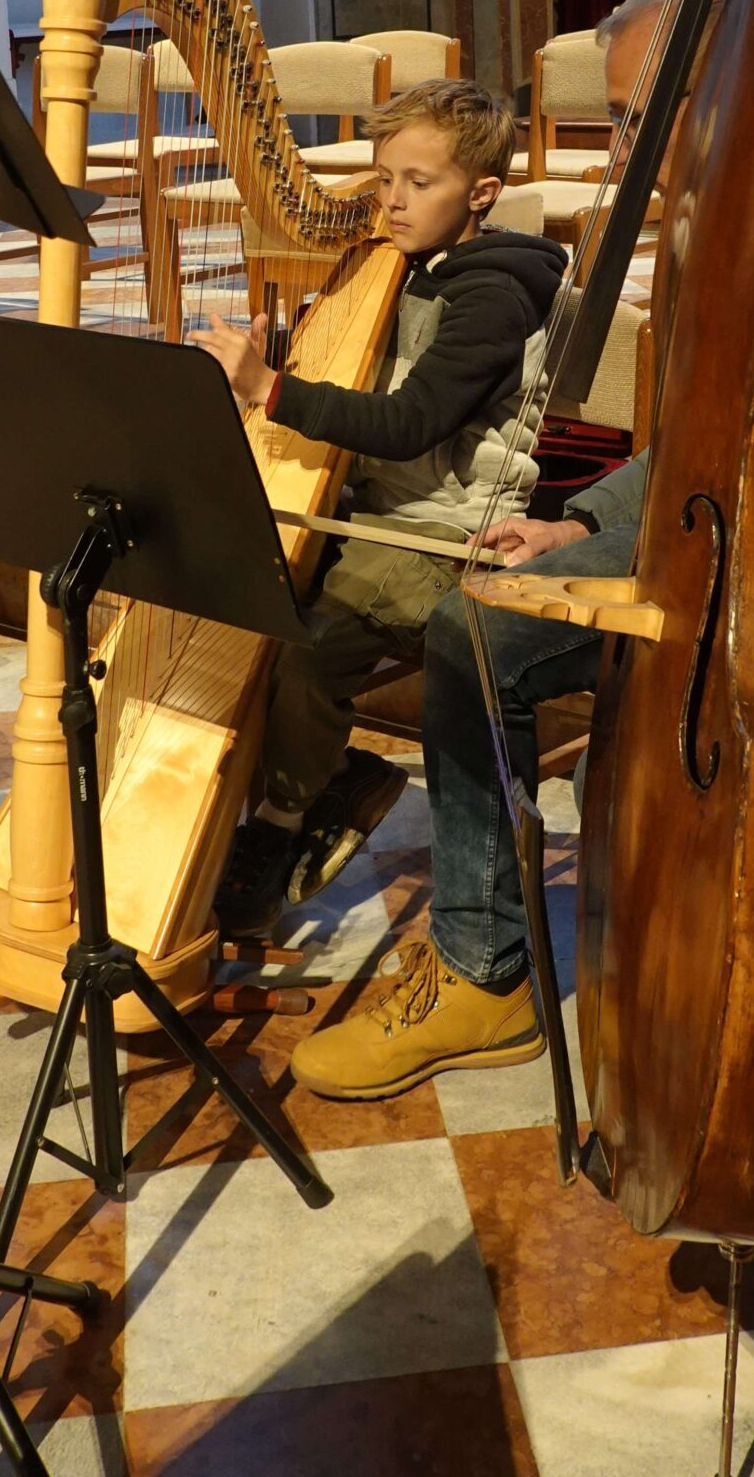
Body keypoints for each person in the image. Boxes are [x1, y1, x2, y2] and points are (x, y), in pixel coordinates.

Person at [288, 0, 754, 1099]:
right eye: (615, 123)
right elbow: (706, 434)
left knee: (467, 637)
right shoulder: (705, 218)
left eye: (641, 119)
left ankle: (485, 965)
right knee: (471, 614)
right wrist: (589, 517)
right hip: (711, 505)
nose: (624, 155)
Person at [191, 77, 568, 938]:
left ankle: (283, 821)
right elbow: (370, 374)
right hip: (373, 510)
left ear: (481, 193)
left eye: (418, 183)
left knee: (309, 651)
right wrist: (278, 352)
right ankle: (325, 775)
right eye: (384, 177)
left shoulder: (493, 296)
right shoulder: (403, 264)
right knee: (229, 586)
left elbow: (407, 424)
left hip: (447, 533)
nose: (392, 200)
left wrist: (272, 388)